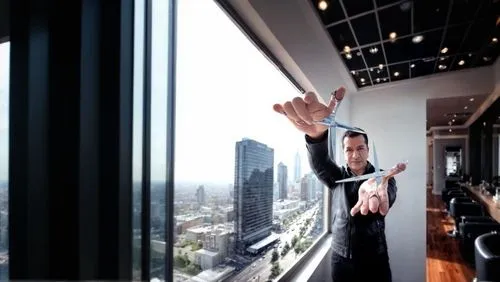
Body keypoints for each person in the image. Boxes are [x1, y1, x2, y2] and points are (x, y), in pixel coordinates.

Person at [273, 86, 400, 282]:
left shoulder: (383, 178)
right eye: (349, 150)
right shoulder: (337, 177)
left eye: (360, 148)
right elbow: (320, 162)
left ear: (367, 150)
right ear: (344, 153)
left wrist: (377, 190)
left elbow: (388, 193)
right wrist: (316, 136)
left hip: (375, 259)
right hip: (341, 261)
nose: (355, 154)